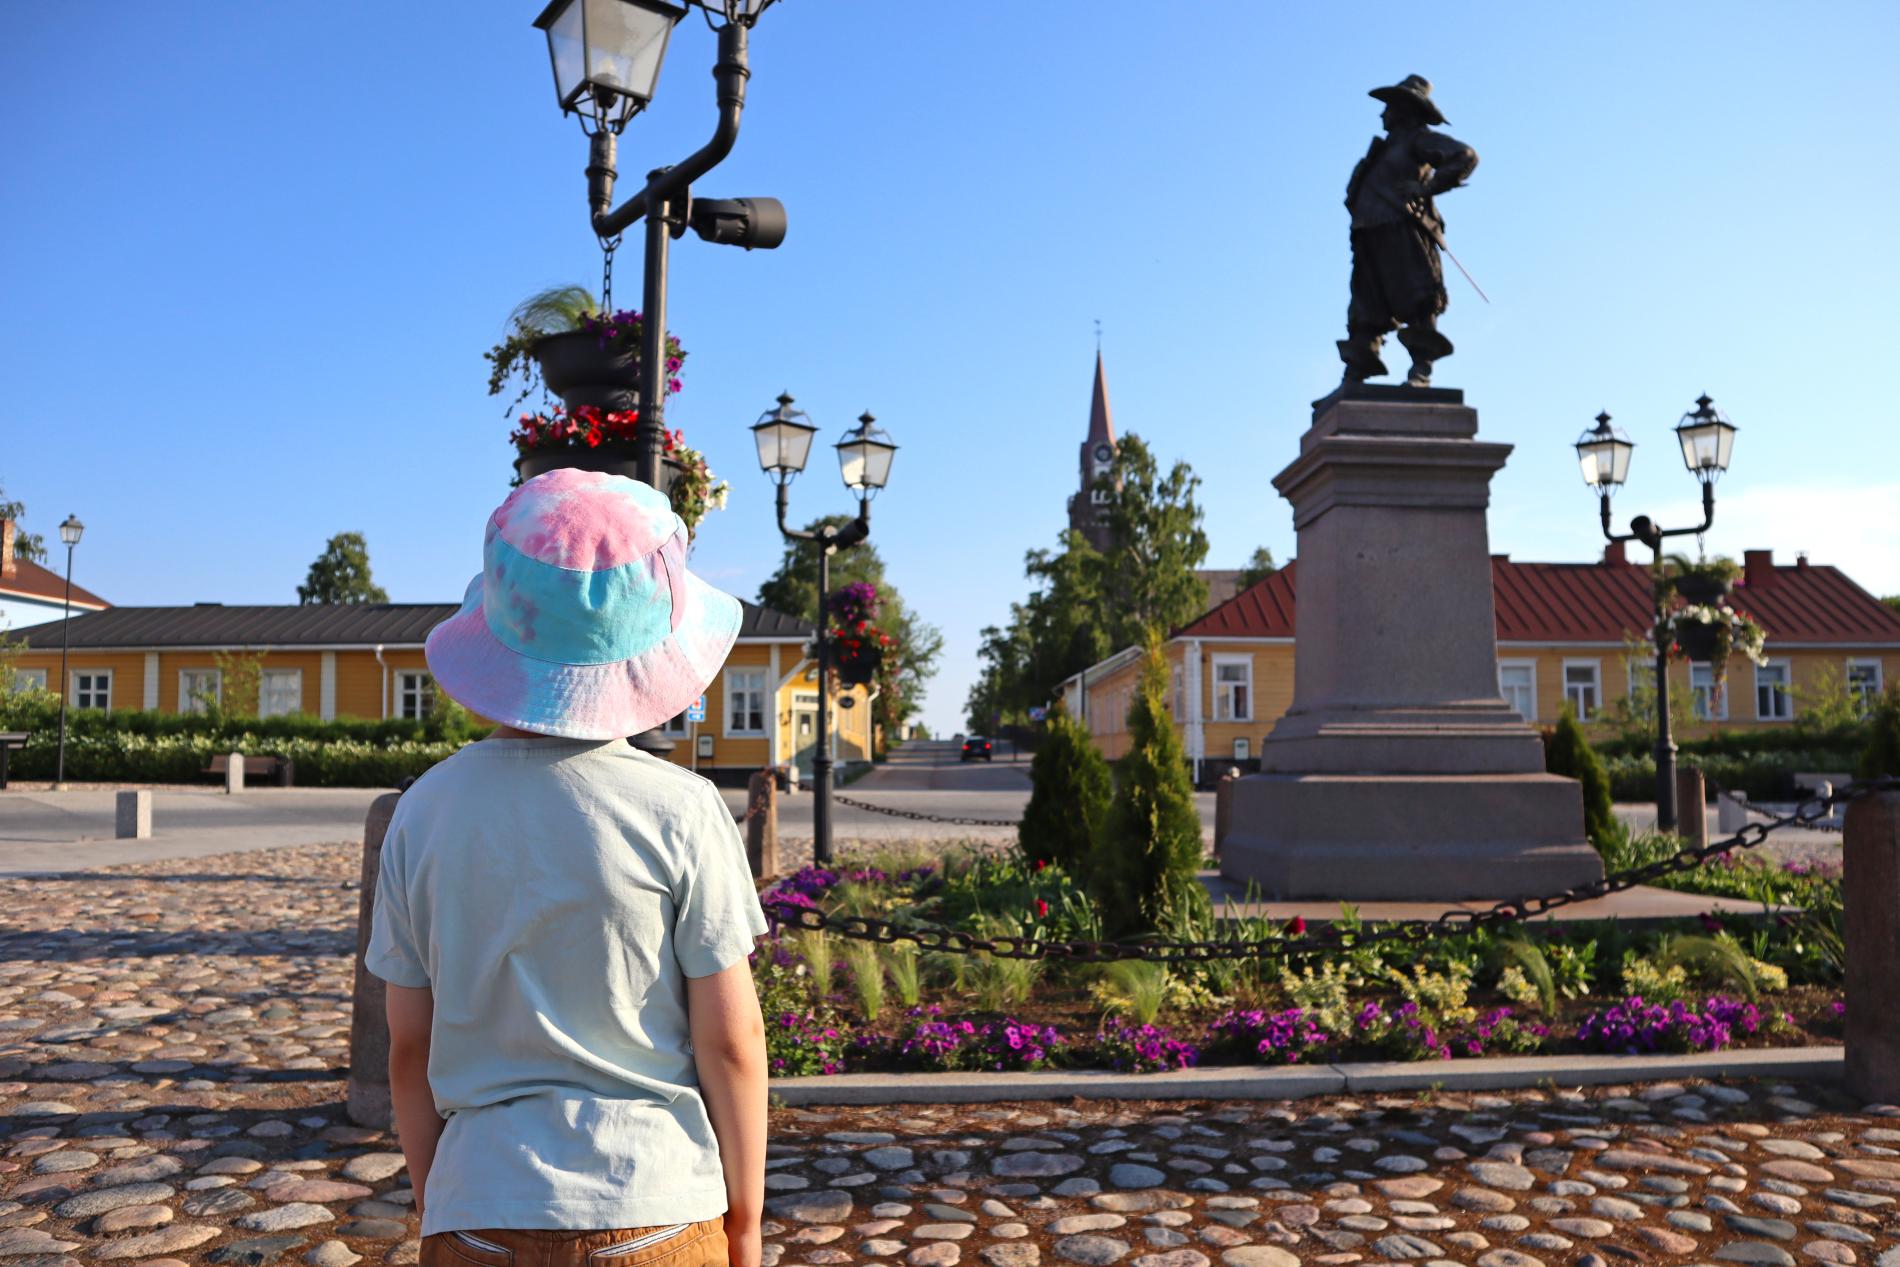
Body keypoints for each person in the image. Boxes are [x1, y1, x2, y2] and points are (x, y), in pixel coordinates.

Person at [365, 468, 769, 1267]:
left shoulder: (425, 810)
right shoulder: (684, 809)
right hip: (656, 1203)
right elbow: (734, 1042)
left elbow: (408, 1050)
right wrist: (745, 1226)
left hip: (477, 1205)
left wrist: (437, 1198)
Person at [1338, 74, 1479, 387]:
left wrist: (1425, 187)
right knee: (1365, 305)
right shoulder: (1384, 148)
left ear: (1404, 109)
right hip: (1369, 231)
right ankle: (1356, 371)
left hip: (1402, 230)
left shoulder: (1418, 139)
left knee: (1418, 296)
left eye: (1388, 107)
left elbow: (1465, 156)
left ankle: (1421, 369)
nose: (1382, 113)